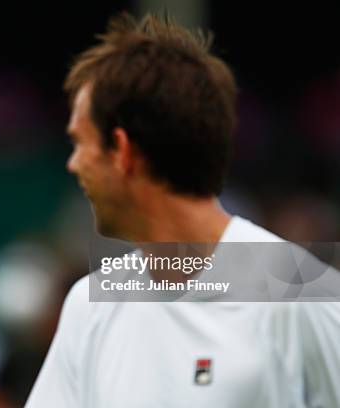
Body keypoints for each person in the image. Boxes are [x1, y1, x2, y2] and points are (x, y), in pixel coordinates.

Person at [26, 13, 340, 407]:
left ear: (122, 151)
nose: (73, 164)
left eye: (80, 143)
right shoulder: (89, 305)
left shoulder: (304, 294)